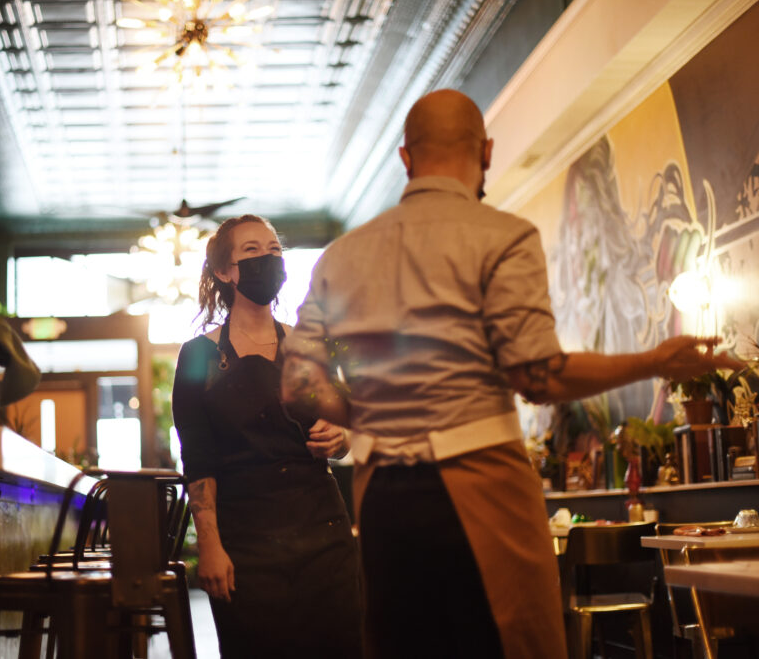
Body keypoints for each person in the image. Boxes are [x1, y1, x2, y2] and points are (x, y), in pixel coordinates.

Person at [280, 89, 740, 658]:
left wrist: (369, 417)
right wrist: (655, 360)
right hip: (484, 489)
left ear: (405, 158)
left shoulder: (340, 258)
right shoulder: (503, 236)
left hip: (382, 501)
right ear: (488, 152)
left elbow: (298, 384)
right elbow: (539, 377)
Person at [171, 214, 363, 659]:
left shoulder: (309, 346)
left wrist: (342, 437)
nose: (267, 259)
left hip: (323, 532)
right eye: (252, 251)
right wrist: (211, 548)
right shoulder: (199, 356)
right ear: (224, 271)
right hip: (246, 540)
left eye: (274, 250)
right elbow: (198, 460)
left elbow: (345, 429)